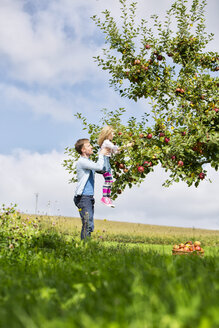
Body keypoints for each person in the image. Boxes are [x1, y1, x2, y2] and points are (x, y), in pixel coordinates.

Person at [74, 138, 108, 240]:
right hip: (83, 197)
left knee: (89, 224)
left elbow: (102, 169)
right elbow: (98, 167)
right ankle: (85, 248)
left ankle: (86, 247)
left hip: (88, 197)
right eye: (89, 146)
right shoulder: (82, 162)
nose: (92, 147)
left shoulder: (88, 162)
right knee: (87, 224)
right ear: (83, 150)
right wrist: (101, 154)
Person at [97, 126, 133, 208]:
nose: (114, 135)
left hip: (107, 161)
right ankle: (104, 197)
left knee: (109, 180)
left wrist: (124, 148)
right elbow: (115, 148)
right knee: (108, 179)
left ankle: (107, 197)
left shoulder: (108, 143)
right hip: (104, 161)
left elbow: (116, 151)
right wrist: (127, 145)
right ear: (108, 133)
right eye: (112, 133)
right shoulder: (106, 142)